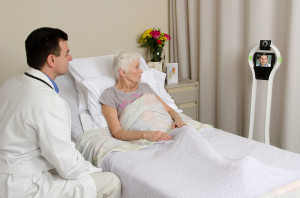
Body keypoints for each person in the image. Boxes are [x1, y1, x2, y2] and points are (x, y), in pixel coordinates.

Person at [0, 27, 121, 198]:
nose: (70, 58)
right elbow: (68, 165)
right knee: (111, 182)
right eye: (66, 54)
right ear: (51, 60)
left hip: (6, 178)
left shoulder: (10, 84)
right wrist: (95, 170)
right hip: (25, 186)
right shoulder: (49, 101)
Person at [100, 52, 186, 142]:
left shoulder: (145, 87)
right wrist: (146, 135)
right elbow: (117, 132)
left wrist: (177, 118)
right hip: (145, 135)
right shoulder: (110, 95)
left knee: (188, 133)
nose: (141, 71)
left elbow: (168, 109)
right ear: (122, 72)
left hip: (168, 127)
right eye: (137, 67)